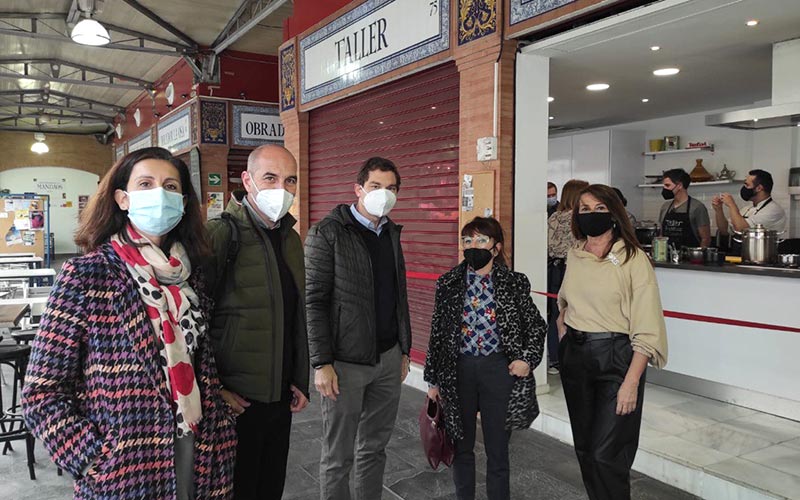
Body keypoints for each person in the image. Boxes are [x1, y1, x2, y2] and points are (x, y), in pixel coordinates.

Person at [22, 147, 236, 500]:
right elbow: (42, 393)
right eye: (146, 184)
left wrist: (220, 410)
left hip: (201, 452)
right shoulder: (88, 275)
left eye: (170, 186)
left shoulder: (190, 274)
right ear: (122, 198)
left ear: (183, 202)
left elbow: (198, 363)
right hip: (125, 466)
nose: (159, 194)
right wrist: (93, 458)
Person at [206, 144, 309, 500]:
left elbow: (296, 313)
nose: (282, 188)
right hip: (235, 401)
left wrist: (299, 377)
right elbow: (193, 321)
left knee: (270, 487)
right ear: (247, 181)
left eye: (290, 179)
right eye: (271, 178)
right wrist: (214, 388)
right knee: (237, 490)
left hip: (279, 396)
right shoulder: (220, 235)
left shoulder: (291, 238)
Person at [305, 157, 412, 500]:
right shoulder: (328, 232)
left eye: (391, 188)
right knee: (338, 454)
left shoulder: (391, 233)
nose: (384, 194)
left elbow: (398, 294)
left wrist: (405, 350)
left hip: (388, 357)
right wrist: (321, 363)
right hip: (346, 363)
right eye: (376, 187)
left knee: (375, 448)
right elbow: (314, 301)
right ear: (358, 189)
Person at [556, 184, 668, 500]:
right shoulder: (575, 255)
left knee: (608, 455)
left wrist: (631, 382)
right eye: (585, 209)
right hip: (576, 357)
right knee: (586, 450)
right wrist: (562, 319)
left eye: (600, 209)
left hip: (616, 359)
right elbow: (565, 298)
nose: (592, 216)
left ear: (615, 214)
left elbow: (648, 326)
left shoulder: (633, 259)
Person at [424, 217, 546, 500]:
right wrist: (432, 380)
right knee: (462, 447)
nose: (473, 246)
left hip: (498, 370)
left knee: (498, 450)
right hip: (459, 371)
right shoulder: (449, 283)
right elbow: (437, 333)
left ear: (496, 247)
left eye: (481, 240)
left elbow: (536, 326)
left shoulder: (513, 283)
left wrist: (527, 359)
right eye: (467, 241)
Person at [546, 179, 589, 374]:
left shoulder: (554, 217)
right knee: (578, 313)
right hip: (574, 267)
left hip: (554, 268)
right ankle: (576, 358)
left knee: (557, 314)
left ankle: (555, 358)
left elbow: (548, 244)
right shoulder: (579, 218)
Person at [713, 169, 786, 250]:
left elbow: (741, 229)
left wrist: (731, 205)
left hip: (763, 257)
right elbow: (724, 230)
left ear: (759, 188)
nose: (744, 188)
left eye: (747, 185)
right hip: (742, 256)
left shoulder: (773, 210)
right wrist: (718, 210)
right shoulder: (747, 209)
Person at [658, 169, 711, 248]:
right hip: (668, 257)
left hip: (691, 257)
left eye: (667, 185)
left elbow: (705, 238)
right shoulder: (665, 207)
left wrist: (699, 257)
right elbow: (661, 236)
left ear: (679, 185)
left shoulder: (697, 207)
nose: (664, 188)